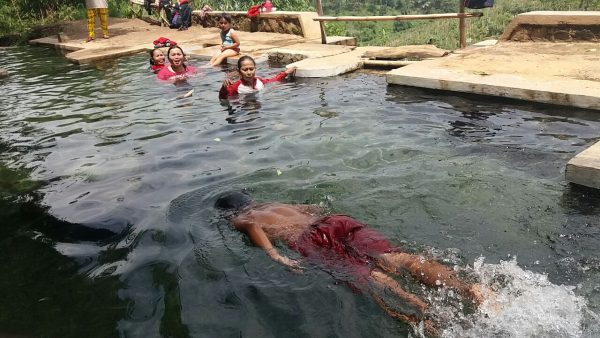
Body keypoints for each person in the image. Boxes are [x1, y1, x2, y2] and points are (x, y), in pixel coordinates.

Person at [215, 191, 483, 334]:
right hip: (333, 221)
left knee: (367, 276)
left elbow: (251, 224)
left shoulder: (242, 217)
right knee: (395, 258)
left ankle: (423, 313)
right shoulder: (275, 203)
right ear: (249, 199)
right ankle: (467, 288)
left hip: (309, 238)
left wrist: (276, 255)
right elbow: (314, 209)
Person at [219, 55, 296, 99]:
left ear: (255, 69)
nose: (249, 72)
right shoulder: (235, 87)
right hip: (244, 109)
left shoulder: (260, 81)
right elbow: (223, 98)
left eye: (251, 69)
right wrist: (224, 88)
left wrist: (286, 72)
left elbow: (273, 80)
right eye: (245, 70)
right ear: (239, 71)